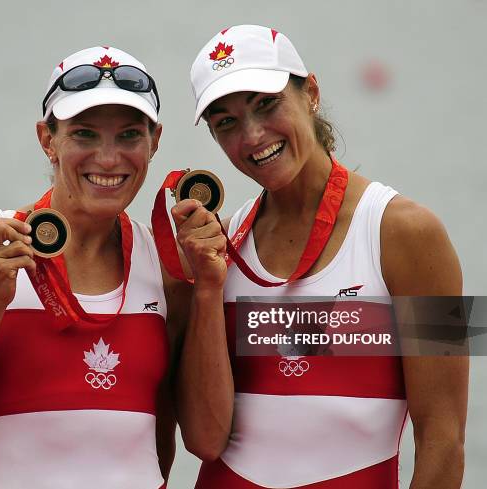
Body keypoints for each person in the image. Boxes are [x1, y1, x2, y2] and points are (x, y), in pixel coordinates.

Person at [174, 24, 468, 488]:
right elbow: (205, 443)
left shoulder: (412, 233)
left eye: (266, 104)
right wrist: (206, 289)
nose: (252, 136)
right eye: (225, 122)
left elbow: (445, 440)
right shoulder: (222, 244)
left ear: (310, 91)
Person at [0, 45, 186, 489]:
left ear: (155, 141)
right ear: (47, 139)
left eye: (129, 135)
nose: (108, 159)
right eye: (84, 134)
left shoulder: (168, 263)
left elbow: (161, 444)